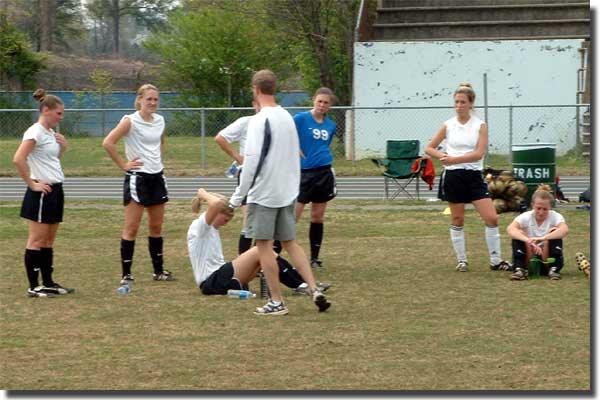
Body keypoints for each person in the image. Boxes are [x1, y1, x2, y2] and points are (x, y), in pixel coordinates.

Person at [229, 69, 331, 315]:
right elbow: (296, 154)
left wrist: (237, 197)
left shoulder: (259, 120)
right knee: (291, 243)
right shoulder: (287, 116)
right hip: (286, 191)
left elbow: (251, 161)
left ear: (255, 90)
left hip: (264, 194)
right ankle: (314, 288)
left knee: (264, 246)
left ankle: (277, 301)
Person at [425, 82, 510, 272]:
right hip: (453, 177)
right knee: (457, 219)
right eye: (456, 102)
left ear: (471, 103)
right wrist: (442, 156)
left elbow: (479, 153)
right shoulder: (448, 125)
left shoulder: (480, 125)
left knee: (491, 218)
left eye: (463, 102)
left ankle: (496, 260)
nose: (459, 106)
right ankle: (462, 260)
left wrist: (455, 159)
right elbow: (429, 148)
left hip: (473, 176)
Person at [188, 189, 330, 296]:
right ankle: (302, 285)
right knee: (259, 250)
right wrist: (203, 193)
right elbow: (217, 203)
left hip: (220, 277)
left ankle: (304, 284)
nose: (225, 224)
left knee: (265, 253)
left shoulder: (211, 229)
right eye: (225, 220)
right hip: (211, 282)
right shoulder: (200, 226)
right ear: (216, 213)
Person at [102, 84, 174, 285]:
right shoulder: (130, 121)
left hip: (157, 177)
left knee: (156, 226)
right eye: (149, 99)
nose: (152, 103)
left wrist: (157, 158)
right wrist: (124, 165)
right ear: (140, 99)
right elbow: (108, 142)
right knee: (132, 227)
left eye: (155, 99)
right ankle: (126, 274)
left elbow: (161, 140)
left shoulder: (160, 120)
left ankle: (158, 271)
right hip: (138, 178)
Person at [13, 89, 74, 297]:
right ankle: (33, 286)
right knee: (37, 240)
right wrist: (32, 184)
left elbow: (50, 161)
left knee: (48, 241)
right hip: (42, 192)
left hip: (56, 190)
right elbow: (18, 159)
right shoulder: (35, 132)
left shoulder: (50, 133)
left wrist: (62, 148)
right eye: (58, 113)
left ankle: (48, 282)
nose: (61, 117)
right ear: (46, 110)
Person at [294, 87, 337, 270]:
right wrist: (294, 147)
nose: (322, 105)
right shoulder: (300, 119)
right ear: (314, 100)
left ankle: (314, 257)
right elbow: (284, 134)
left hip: (323, 172)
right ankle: (272, 254)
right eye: (319, 101)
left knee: (317, 216)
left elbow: (324, 145)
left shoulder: (330, 125)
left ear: (330, 106)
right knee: (292, 216)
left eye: (326, 102)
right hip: (304, 173)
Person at [214, 101, 260, 254]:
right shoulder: (246, 122)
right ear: (254, 105)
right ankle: (244, 262)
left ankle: (260, 262)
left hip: (269, 179)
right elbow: (220, 138)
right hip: (248, 177)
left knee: (265, 223)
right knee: (250, 221)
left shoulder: (274, 125)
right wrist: (238, 157)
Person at [507, 188, 569, 280]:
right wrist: (528, 241)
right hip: (529, 255)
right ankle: (520, 269)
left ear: (550, 208)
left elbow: (564, 230)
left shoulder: (555, 216)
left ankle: (554, 269)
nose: (541, 212)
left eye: (545, 209)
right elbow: (510, 229)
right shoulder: (526, 216)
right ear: (532, 205)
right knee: (519, 233)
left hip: (547, 258)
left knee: (555, 231)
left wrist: (545, 238)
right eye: (538, 208)